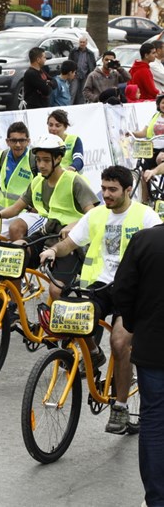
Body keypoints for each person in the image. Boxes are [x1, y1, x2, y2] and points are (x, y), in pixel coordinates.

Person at [39, 166, 159, 428]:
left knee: (119, 342)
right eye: (103, 188)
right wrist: (53, 252)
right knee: (73, 321)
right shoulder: (95, 215)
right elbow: (69, 243)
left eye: (113, 189)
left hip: (131, 291)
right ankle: (93, 353)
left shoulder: (146, 216)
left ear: (128, 190)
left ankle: (121, 406)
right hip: (99, 286)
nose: (106, 194)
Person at [0, 134, 99, 296]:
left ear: (58, 158)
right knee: (11, 255)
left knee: (55, 290)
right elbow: (16, 209)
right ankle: (14, 306)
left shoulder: (74, 181)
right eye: (38, 160)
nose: (41, 165)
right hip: (47, 234)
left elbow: (94, 215)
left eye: (45, 160)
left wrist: (74, 225)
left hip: (72, 242)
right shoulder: (38, 181)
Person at [114, 221, 164, 507]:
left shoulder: (145, 241)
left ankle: (157, 499)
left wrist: (135, 324)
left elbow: (123, 289)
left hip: (153, 347)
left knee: (155, 422)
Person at [129, 94, 164, 202]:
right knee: (143, 174)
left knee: (160, 158)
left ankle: (154, 172)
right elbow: (144, 133)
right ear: (159, 104)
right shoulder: (155, 116)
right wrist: (131, 133)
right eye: (163, 103)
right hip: (152, 148)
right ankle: (144, 202)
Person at [68, 36, 96, 105]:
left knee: (83, 93)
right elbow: (69, 62)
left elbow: (93, 65)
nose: (82, 44)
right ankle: (69, 106)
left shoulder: (90, 53)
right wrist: (71, 73)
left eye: (83, 42)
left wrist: (90, 75)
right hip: (75, 75)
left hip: (85, 76)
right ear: (79, 43)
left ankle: (80, 106)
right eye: (81, 42)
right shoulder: (74, 51)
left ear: (86, 43)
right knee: (73, 92)